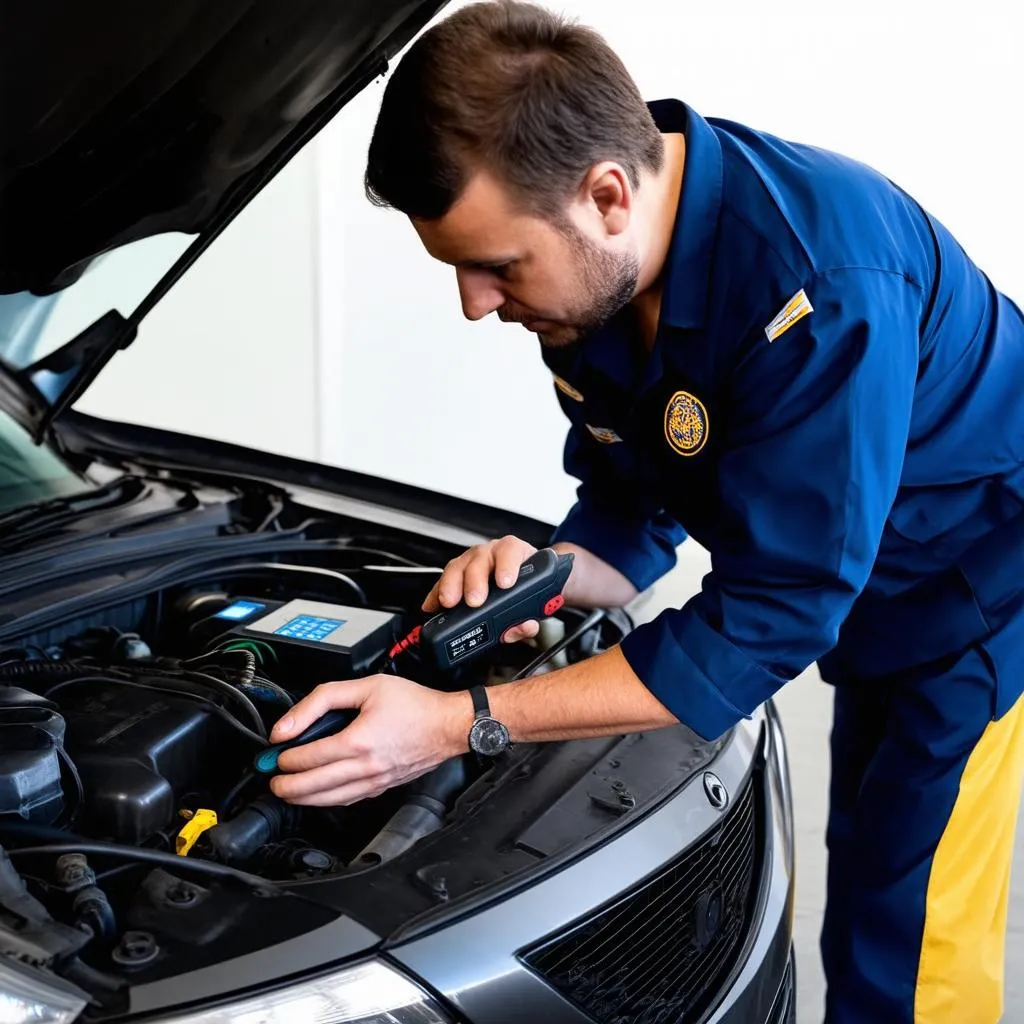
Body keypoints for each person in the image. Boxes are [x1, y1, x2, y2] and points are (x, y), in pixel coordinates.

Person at [267, 2, 1024, 1020]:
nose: (474, 304)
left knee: (907, 935)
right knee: (865, 871)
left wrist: (458, 724)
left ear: (607, 194)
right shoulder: (590, 282)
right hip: (866, 586)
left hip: (971, 594)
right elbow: (633, 507)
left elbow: (772, 619)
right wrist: (541, 574)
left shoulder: (819, 285)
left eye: (496, 264)